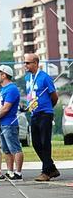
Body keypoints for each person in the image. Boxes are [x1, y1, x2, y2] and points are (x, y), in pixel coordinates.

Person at [24, 53, 60, 182]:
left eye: (27, 63)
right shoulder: (28, 78)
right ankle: (52, 168)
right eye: (24, 63)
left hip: (45, 113)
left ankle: (46, 172)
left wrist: (48, 108)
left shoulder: (45, 77)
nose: (25, 65)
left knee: (45, 142)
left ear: (35, 63)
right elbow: (30, 95)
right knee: (36, 143)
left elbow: (54, 96)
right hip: (34, 113)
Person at [0, 65, 23, 181]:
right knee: (6, 149)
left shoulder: (11, 89)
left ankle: (18, 172)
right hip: (2, 123)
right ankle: (10, 171)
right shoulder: (2, 89)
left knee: (15, 148)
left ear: (4, 75)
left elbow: (6, 108)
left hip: (9, 123)